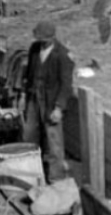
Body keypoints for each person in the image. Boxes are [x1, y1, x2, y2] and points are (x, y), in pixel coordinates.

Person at [21, 21, 74, 184]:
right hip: (33, 98)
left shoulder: (63, 55)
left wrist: (58, 108)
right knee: (29, 135)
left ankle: (56, 178)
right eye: (39, 39)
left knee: (54, 142)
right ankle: (30, 173)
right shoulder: (34, 49)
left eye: (44, 40)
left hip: (51, 102)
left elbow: (66, 85)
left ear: (52, 38)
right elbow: (29, 74)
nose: (42, 43)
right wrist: (24, 95)